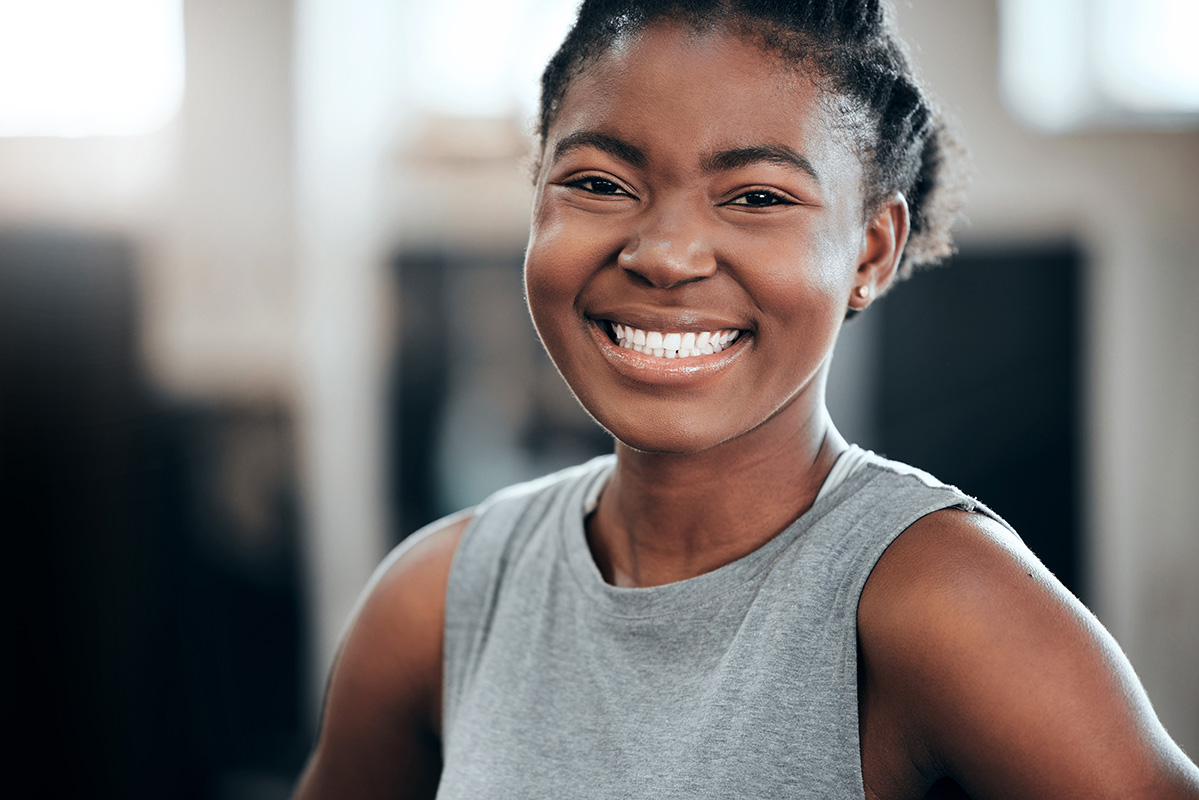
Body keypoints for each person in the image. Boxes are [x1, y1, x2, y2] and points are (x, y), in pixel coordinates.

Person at [294, 1, 1199, 797]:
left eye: (756, 196)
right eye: (600, 183)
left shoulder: (938, 604)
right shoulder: (441, 600)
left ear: (872, 252)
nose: (665, 253)